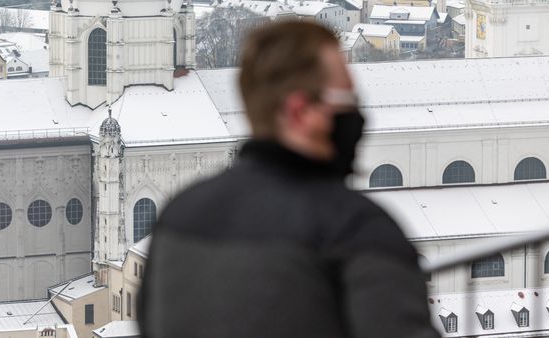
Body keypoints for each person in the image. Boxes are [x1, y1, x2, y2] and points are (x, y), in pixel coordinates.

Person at [139, 21, 438, 338]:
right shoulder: (356, 228)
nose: (357, 114)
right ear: (299, 111)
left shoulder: (180, 215)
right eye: (346, 100)